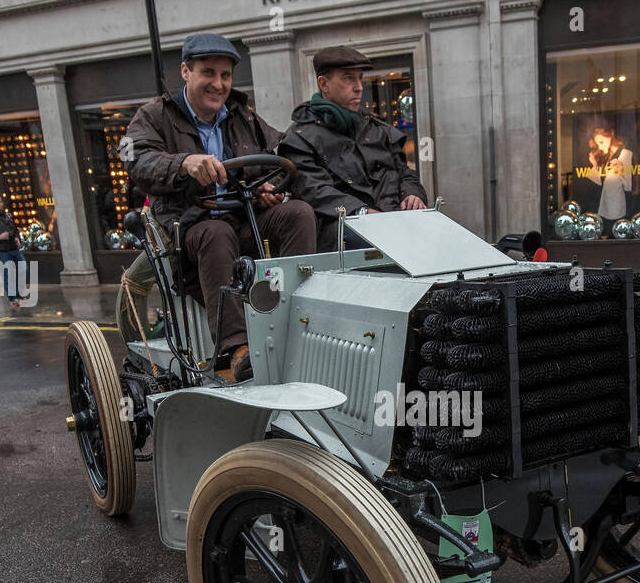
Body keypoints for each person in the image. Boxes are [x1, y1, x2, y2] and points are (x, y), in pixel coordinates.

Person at [125, 32, 316, 382]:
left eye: (225, 76)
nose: (218, 84)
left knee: (298, 213)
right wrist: (183, 163)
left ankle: (298, 320)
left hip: (242, 220)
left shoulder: (242, 115)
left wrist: (268, 188)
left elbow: (278, 155)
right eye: (208, 73)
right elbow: (134, 160)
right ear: (186, 71)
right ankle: (235, 349)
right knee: (216, 232)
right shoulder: (153, 115)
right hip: (189, 230)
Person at [279, 46, 428, 252]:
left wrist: (413, 196)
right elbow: (315, 191)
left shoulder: (378, 129)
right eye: (348, 78)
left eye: (360, 78)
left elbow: (405, 174)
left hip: (396, 222)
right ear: (324, 84)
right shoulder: (299, 139)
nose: (359, 87)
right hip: (343, 236)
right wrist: (363, 213)